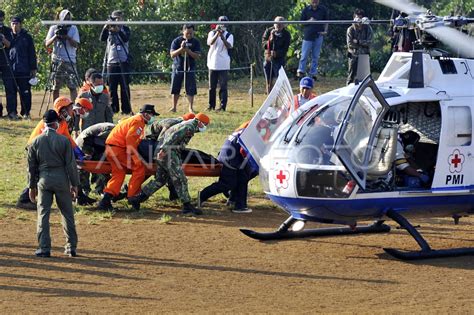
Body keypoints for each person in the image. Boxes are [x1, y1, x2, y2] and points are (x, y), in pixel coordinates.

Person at [128, 113, 211, 215]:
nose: (205, 128)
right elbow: (172, 137)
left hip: (162, 151)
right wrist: (163, 151)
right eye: (205, 125)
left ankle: (137, 199)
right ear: (200, 122)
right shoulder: (189, 127)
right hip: (168, 153)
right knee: (180, 179)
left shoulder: (187, 125)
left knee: (161, 179)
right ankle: (187, 206)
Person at [17, 96, 86, 210]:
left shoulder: (61, 122)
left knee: (41, 174)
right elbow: (52, 143)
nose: (71, 111)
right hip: (36, 148)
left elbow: (69, 139)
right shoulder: (54, 124)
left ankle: (28, 199)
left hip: (42, 148)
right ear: (62, 110)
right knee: (38, 174)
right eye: (69, 108)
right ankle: (24, 200)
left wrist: (80, 153)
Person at [27, 109, 80, 257]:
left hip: (44, 180)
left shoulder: (35, 141)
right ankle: (71, 247)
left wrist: (31, 187)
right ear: (56, 124)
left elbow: (31, 168)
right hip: (61, 179)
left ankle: (44, 248)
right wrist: (74, 184)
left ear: (44, 124)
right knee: (67, 213)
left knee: (43, 213)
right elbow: (71, 165)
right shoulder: (63, 140)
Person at [98, 104, 159, 210]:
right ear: (145, 114)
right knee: (139, 168)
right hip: (118, 149)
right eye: (151, 114)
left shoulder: (133, 119)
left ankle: (105, 200)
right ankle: (132, 197)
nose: (153, 117)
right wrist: (136, 158)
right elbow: (130, 141)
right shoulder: (138, 121)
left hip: (110, 149)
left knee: (119, 174)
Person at [198, 121, 257, 213]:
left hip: (229, 157)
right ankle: (201, 196)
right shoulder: (250, 133)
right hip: (230, 159)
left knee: (242, 178)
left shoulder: (244, 130)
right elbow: (243, 151)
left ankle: (238, 204)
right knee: (227, 183)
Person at [44, 9, 80, 102]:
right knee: (55, 87)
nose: (67, 20)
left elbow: (76, 45)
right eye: (65, 18)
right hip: (57, 60)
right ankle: (56, 108)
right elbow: (47, 44)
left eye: (68, 18)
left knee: (72, 86)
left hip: (70, 60)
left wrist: (67, 37)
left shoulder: (73, 28)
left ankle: (74, 108)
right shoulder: (53, 28)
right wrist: (55, 36)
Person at [5, 16, 37, 120]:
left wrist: (33, 69)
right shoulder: (7, 37)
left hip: (24, 69)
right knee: (11, 92)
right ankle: (12, 112)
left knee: (25, 93)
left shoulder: (27, 37)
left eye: (17, 23)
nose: (15, 26)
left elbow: (32, 53)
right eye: (13, 23)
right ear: (11, 24)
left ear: (20, 24)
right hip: (10, 70)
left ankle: (26, 113)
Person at [100, 10, 132, 114]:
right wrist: (106, 26)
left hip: (123, 61)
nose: (117, 21)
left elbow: (126, 39)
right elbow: (102, 38)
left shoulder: (125, 29)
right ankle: (114, 108)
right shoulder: (109, 28)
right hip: (111, 61)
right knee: (112, 88)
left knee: (124, 87)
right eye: (115, 18)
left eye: (119, 18)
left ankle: (126, 109)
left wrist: (118, 30)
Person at [76, 122, 115, 205]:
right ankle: (81, 194)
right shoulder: (112, 130)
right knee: (84, 167)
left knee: (103, 167)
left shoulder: (114, 129)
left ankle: (108, 191)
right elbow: (98, 139)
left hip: (95, 144)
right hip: (86, 142)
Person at [170, 24, 201, 113]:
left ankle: (190, 107)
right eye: (187, 33)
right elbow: (172, 54)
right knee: (175, 87)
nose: (189, 35)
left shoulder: (196, 42)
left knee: (190, 87)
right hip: (178, 66)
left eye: (191, 33)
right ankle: (174, 107)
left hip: (190, 67)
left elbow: (197, 56)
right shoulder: (176, 41)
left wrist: (188, 50)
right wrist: (181, 48)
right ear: (183, 31)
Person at [296, 0, 329, 81]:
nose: (315, 2)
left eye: (316, 1)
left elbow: (327, 21)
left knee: (315, 56)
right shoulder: (306, 10)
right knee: (304, 55)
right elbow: (301, 22)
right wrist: (309, 21)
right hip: (308, 36)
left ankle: (313, 74)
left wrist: (325, 31)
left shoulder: (323, 9)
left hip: (318, 35)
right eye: (313, 1)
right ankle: (301, 72)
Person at [207, 16, 233, 111]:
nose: (222, 24)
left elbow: (229, 46)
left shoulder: (229, 35)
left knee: (223, 87)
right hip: (212, 63)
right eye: (221, 22)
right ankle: (211, 105)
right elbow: (210, 42)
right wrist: (217, 33)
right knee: (211, 87)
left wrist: (222, 37)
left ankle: (222, 106)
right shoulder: (212, 33)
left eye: (224, 22)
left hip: (223, 64)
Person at [262, 16, 291, 94]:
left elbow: (285, 49)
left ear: (284, 25)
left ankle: (278, 93)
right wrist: (270, 40)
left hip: (279, 59)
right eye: (277, 24)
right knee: (268, 77)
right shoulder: (268, 31)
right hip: (268, 58)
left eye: (281, 24)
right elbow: (263, 45)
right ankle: (269, 93)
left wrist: (277, 53)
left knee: (278, 78)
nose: (278, 26)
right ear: (274, 24)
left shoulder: (286, 34)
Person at [346, 9, 373, 85]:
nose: (359, 20)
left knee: (365, 77)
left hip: (364, 55)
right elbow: (350, 44)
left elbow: (369, 42)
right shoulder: (350, 29)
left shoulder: (368, 28)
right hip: (353, 55)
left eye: (361, 18)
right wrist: (362, 43)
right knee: (351, 76)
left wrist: (358, 41)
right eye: (357, 18)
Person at [0, 10, 13, 117]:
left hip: (5, 62)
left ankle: (11, 111)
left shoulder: (7, 30)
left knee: (9, 87)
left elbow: (9, 45)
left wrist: (2, 38)